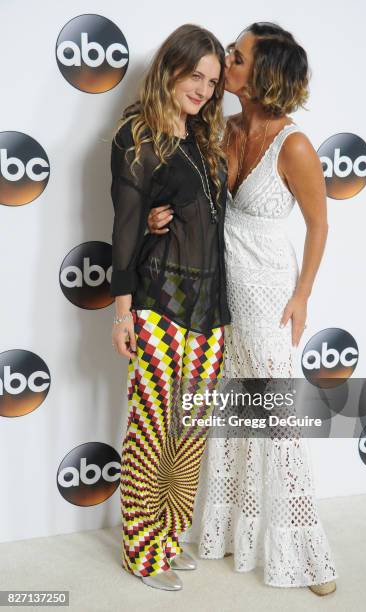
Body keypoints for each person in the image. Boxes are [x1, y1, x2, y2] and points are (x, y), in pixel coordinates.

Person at [147, 22, 338, 596]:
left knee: (275, 423)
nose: (224, 61)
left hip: (265, 296)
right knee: (229, 418)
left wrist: (302, 294)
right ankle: (232, 534)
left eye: (235, 55)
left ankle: (310, 558)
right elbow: (195, 200)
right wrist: (161, 217)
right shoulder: (220, 128)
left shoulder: (294, 145)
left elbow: (319, 223)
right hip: (215, 288)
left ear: (262, 74)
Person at [109, 23, 230, 592]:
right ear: (171, 69)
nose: (203, 88)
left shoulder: (204, 136)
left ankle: (169, 536)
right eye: (194, 75)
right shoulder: (138, 136)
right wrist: (122, 312)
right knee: (152, 428)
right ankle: (141, 549)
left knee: (190, 432)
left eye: (212, 80)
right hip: (159, 303)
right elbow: (126, 228)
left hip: (211, 308)